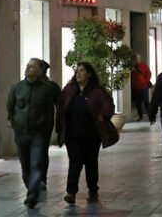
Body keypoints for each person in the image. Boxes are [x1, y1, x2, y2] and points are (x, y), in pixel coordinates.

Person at [56, 62, 116, 205]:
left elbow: (109, 105)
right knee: (74, 163)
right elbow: (60, 109)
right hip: (72, 135)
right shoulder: (69, 90)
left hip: (91, 135)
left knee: (90, 163)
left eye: (82, 71)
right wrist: (59, 127)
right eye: (77, 71)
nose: (78, 74)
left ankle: (93, 189)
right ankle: (71, 192)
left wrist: (104, 115)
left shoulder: (97, 91)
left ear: (89, 74)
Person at [7, 58, 56, 208]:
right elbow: (10, 107)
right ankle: (31, 189)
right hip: (21, 132)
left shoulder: (46, 89)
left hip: (38, 133)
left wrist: (47, 128)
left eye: (32, 67)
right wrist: (13, 122)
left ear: (40, 72)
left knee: (36, 163)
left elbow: (49, 112)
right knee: (25, 167)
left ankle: (32, 195)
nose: (28, 68)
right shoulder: (16, 88)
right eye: (27, 66)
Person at [39, 60, 60, 191]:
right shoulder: (24, 85)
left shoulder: (51, 87)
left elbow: (60, 106)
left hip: (44, 125)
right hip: (27, 126)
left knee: (41, 151)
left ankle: (41, 179)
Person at [131, 53, 152, 121]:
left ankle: (149, 115)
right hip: (136, 88)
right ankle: (140, 116)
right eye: (135, 58)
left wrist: (145, 82)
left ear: (140, 59)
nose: (137, 60)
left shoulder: (144, 66)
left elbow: (149, 74)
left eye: (138, 58)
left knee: (146, 101)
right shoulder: (132, 67)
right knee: (138, 103)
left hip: (143, 87)